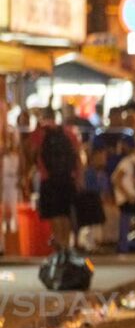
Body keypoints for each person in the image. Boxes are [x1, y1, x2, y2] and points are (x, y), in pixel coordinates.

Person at [34, 109, 81, 254]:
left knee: (54, 214)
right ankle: (66, 244)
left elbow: (33, 153)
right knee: (65, 213)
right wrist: (78, 177)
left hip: (48, 179)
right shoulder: (69, 133)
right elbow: (77, 155)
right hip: (67, 178)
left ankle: (59, 245)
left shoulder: (40, 133)